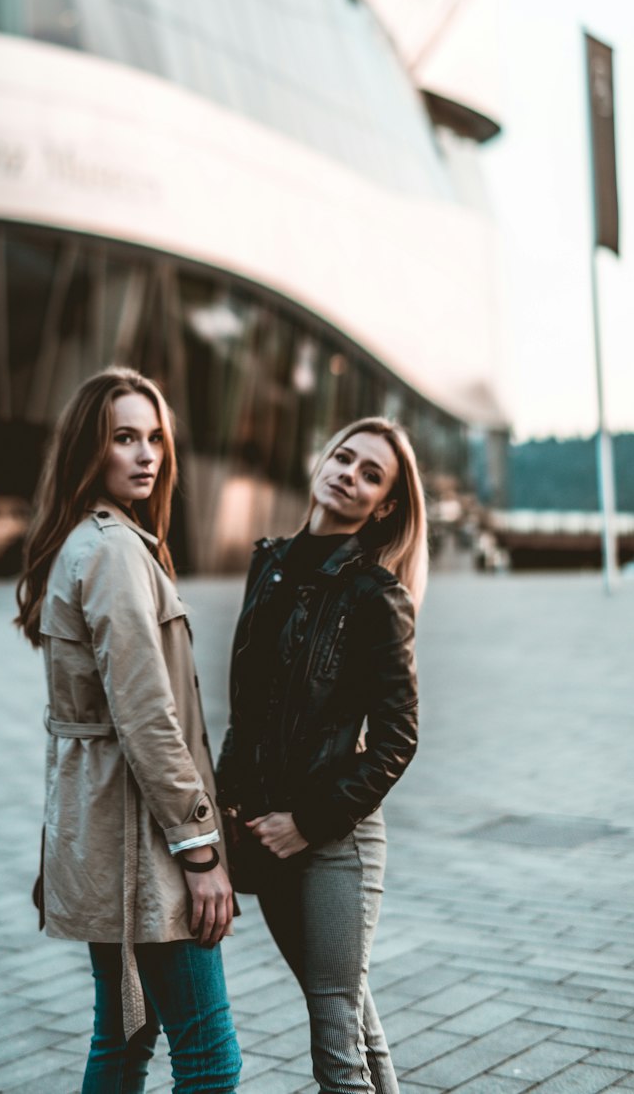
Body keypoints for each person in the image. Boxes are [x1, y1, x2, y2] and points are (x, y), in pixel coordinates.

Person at [15, 367, 241, 1094]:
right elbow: (147, 718)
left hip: (100, 833)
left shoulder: (85, 541)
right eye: (124, 438)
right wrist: (200, 851)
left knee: (123, 1039)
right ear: (91, 448)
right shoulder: (112, 551)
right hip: (142, 846)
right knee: (210, 1062)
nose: (146, 455)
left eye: (154, 439)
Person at [217, 417, 426, 1094]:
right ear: (321, 461)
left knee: (333, 1036)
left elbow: (398, 739)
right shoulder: (270, 566)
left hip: (334, 838)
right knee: (351, 1014)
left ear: (384, 505)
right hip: (266, 834)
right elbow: (246, 713)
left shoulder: (375, 596)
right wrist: (223, 808)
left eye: (371, 475)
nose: (350, 475)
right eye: (345, 457)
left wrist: (307, 821)